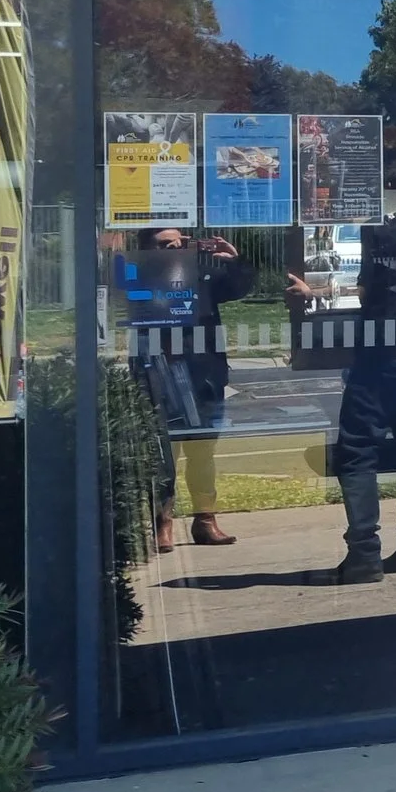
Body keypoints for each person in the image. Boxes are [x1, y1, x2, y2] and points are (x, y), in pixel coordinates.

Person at [292, 160, 396, 584]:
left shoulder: (379, 234)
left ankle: (364, 551)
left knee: (357, 451)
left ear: (392, 194)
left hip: (381, 359)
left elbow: (366, 292)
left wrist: (316, 292)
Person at [132, 226, 252, 551]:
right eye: (164, 244)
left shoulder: (201, 274)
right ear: (146, 249)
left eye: (179, 241)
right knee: (163, 453)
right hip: (158, 372)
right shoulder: (138, 275)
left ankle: (205, 520)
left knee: (203, 450)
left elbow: (238, 288)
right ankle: (163, 522)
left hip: (204, 373)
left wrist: (234, 261)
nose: (174, 247)